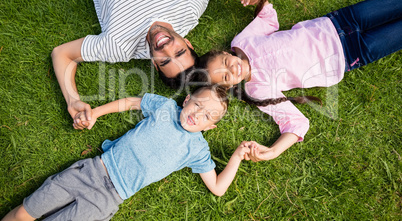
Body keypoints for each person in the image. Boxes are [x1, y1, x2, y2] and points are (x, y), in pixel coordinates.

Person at [52, 0, 264, 129]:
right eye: (179, 52)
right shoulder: (187, 13)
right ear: (188, 43)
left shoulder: (119, 46)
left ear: (153, 62)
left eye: (164, 61)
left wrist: (73, 100)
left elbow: (62, 54)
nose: (166, 48)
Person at [194, 0, 402, 162]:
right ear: (228, 86)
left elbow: (268, 19)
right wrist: (272, 151)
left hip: (340, 22)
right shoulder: (257, 89)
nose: (231, 69)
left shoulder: (241, 42)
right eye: (225, 76)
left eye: (224, 62)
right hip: (351, 54)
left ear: (223, 53)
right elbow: (296, 122)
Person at [2, 86, 252, 221]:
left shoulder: (197, 149)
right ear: (186, 100)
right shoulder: (165, 107)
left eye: (207, 116)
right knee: (26, 211)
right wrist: (96, 113)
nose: (198, 114)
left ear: (210, 127)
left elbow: (218, 187)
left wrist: (237, 156)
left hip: (107, 200)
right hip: (91, 171)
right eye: (198, 105)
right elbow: (133, 102)